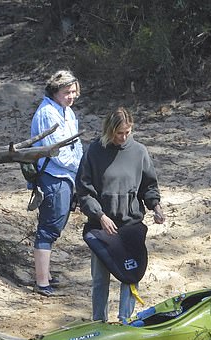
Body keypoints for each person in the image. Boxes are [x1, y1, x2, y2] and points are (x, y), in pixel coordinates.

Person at [76, 107, 166, 322]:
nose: (124, 137)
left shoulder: (139, 152)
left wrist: (156, 207)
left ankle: (125, 319)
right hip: (102, 227)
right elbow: (84, 191)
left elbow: (149, 185)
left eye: (127, 132)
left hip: (130, 226)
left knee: (131, 277)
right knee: (100, 279)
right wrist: (100, 215)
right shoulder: (94, 152)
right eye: (119, 133)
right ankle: (99, 321)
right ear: (109, 130)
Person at [29, 70, 83, 296]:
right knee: (49, 227)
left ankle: (47, 274)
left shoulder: (67, 112)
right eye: (66, 92)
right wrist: (81, 169)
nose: (71, 96)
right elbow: (57, 154)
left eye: (73, 92)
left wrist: (81, 167)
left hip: (66, 176)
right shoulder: (47, 114)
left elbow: (75, 143)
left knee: (56, 224)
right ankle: (42, 282)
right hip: (53, 176)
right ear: (55, 91)